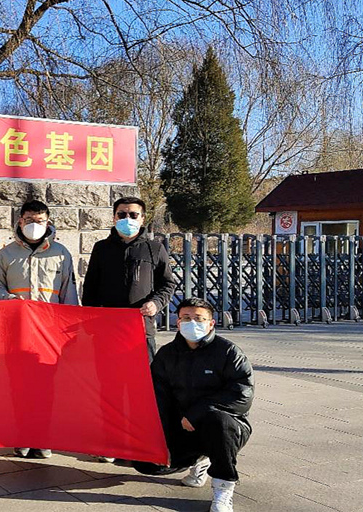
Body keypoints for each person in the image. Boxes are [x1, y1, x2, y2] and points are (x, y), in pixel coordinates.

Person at [133, 297, 254, 512]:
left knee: (218, 422)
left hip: (224, 428)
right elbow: (157, 396)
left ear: (211, 323)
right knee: (145, 463)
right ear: (178, 322)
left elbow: (242, 394)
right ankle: (199, 459)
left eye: (199, 318)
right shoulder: (167, 355)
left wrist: (197, 413)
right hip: (181, 426)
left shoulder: (228, 352)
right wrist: (157, 437)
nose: (192, 323)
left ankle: (223, 488)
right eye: (186, 318)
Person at [0, 199, 78, 459]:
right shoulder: (5, 255)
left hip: (49, 331)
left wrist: (69, 328)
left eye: (39, 221)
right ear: (20, 221)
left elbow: (69, 292)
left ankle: (42, 437)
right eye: (29, 220)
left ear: (48, 222)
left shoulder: (61, 254)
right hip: (17, 330)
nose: (34, 225)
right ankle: (23, 436)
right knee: (19, 385)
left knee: (48, 386)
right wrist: (8, 299)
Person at [81, 196, 178, 363]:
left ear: (142, 218)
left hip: (141, 327)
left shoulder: (154, 248)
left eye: (133, 215)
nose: (127, 219)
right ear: (114, 218)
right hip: (107, 328)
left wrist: (156, 303)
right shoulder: (102, 248)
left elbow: (167, 283)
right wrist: (90, 319)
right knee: (107, 375)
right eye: (122, 214)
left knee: (142, 376)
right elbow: (90, 286)